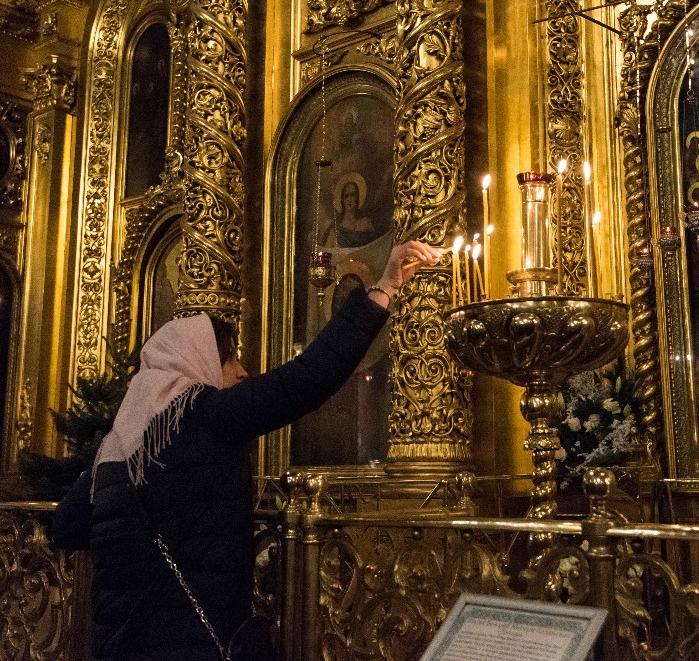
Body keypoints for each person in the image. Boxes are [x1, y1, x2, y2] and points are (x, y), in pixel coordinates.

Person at [52, 240, 441, 661]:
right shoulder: (202, 415)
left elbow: (67, 528)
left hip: (121, 645)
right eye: (229, 358)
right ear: (195, 362)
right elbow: (307, 378)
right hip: (191, 644)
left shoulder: (116, 447)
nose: (241, 370)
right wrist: (382, 289)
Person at [322, 172, 379, 248]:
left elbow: (375, 248)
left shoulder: (366, 224)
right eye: (346, 196)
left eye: (353, 195)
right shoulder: (335, 232)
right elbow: (328, 255)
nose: (349, 199)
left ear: (358, 198)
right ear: (342, 200)